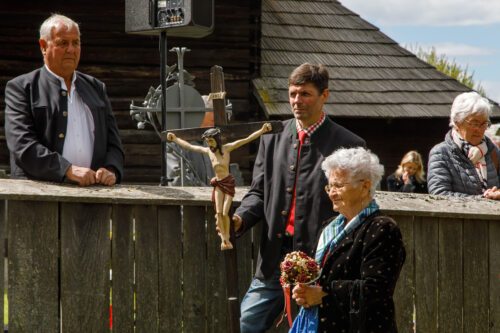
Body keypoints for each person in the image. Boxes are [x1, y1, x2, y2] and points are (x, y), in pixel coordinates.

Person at [233, 63, 366, 332]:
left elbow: (355, 206)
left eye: (305, 94)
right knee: (246, 323)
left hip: (323, 258)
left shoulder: (350, 145)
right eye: (293, 93)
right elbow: (258, 192)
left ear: (324, 96)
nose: (297, 101)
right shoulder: (271, 138)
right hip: (273, 257)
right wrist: (238, 219)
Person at [290, 147, 406, 332]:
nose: (331, 193)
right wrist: (305, 290)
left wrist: (323, 293)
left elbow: (377, 288)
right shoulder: (330, 227)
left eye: (339, 186)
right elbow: (321, 275)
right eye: (330, 186)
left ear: (365, 186)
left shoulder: (382, 228)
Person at [4, 14, 124, 186]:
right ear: (43, 46)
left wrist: (111, 169)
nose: (71, 49)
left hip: (95, 196)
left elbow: (114, 144)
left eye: (76, 43)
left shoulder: (97, 88)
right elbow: (22, 146)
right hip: (38, 198)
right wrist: (66, 169)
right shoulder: (22, 88)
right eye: (63, 43)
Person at [166, 123, 272, 250]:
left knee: (226, 212)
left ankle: (228, 237)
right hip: (218, 184)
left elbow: (245, 140)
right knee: (218, 212)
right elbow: (189, 147)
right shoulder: (208, 152)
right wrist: (175, 139)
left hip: (227, 183)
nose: (209, 143)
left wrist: (262, 131)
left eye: (211, 140)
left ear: (216, 139)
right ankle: (224, 239)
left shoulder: (226, 149)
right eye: (207, 141)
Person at [427, 92, 500, 200]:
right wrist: (484, 199)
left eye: (484, 123)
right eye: (474, 123)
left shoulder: (493, 151)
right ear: (457, 122)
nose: (479, 129)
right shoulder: (441, 153)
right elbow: (439, 195)